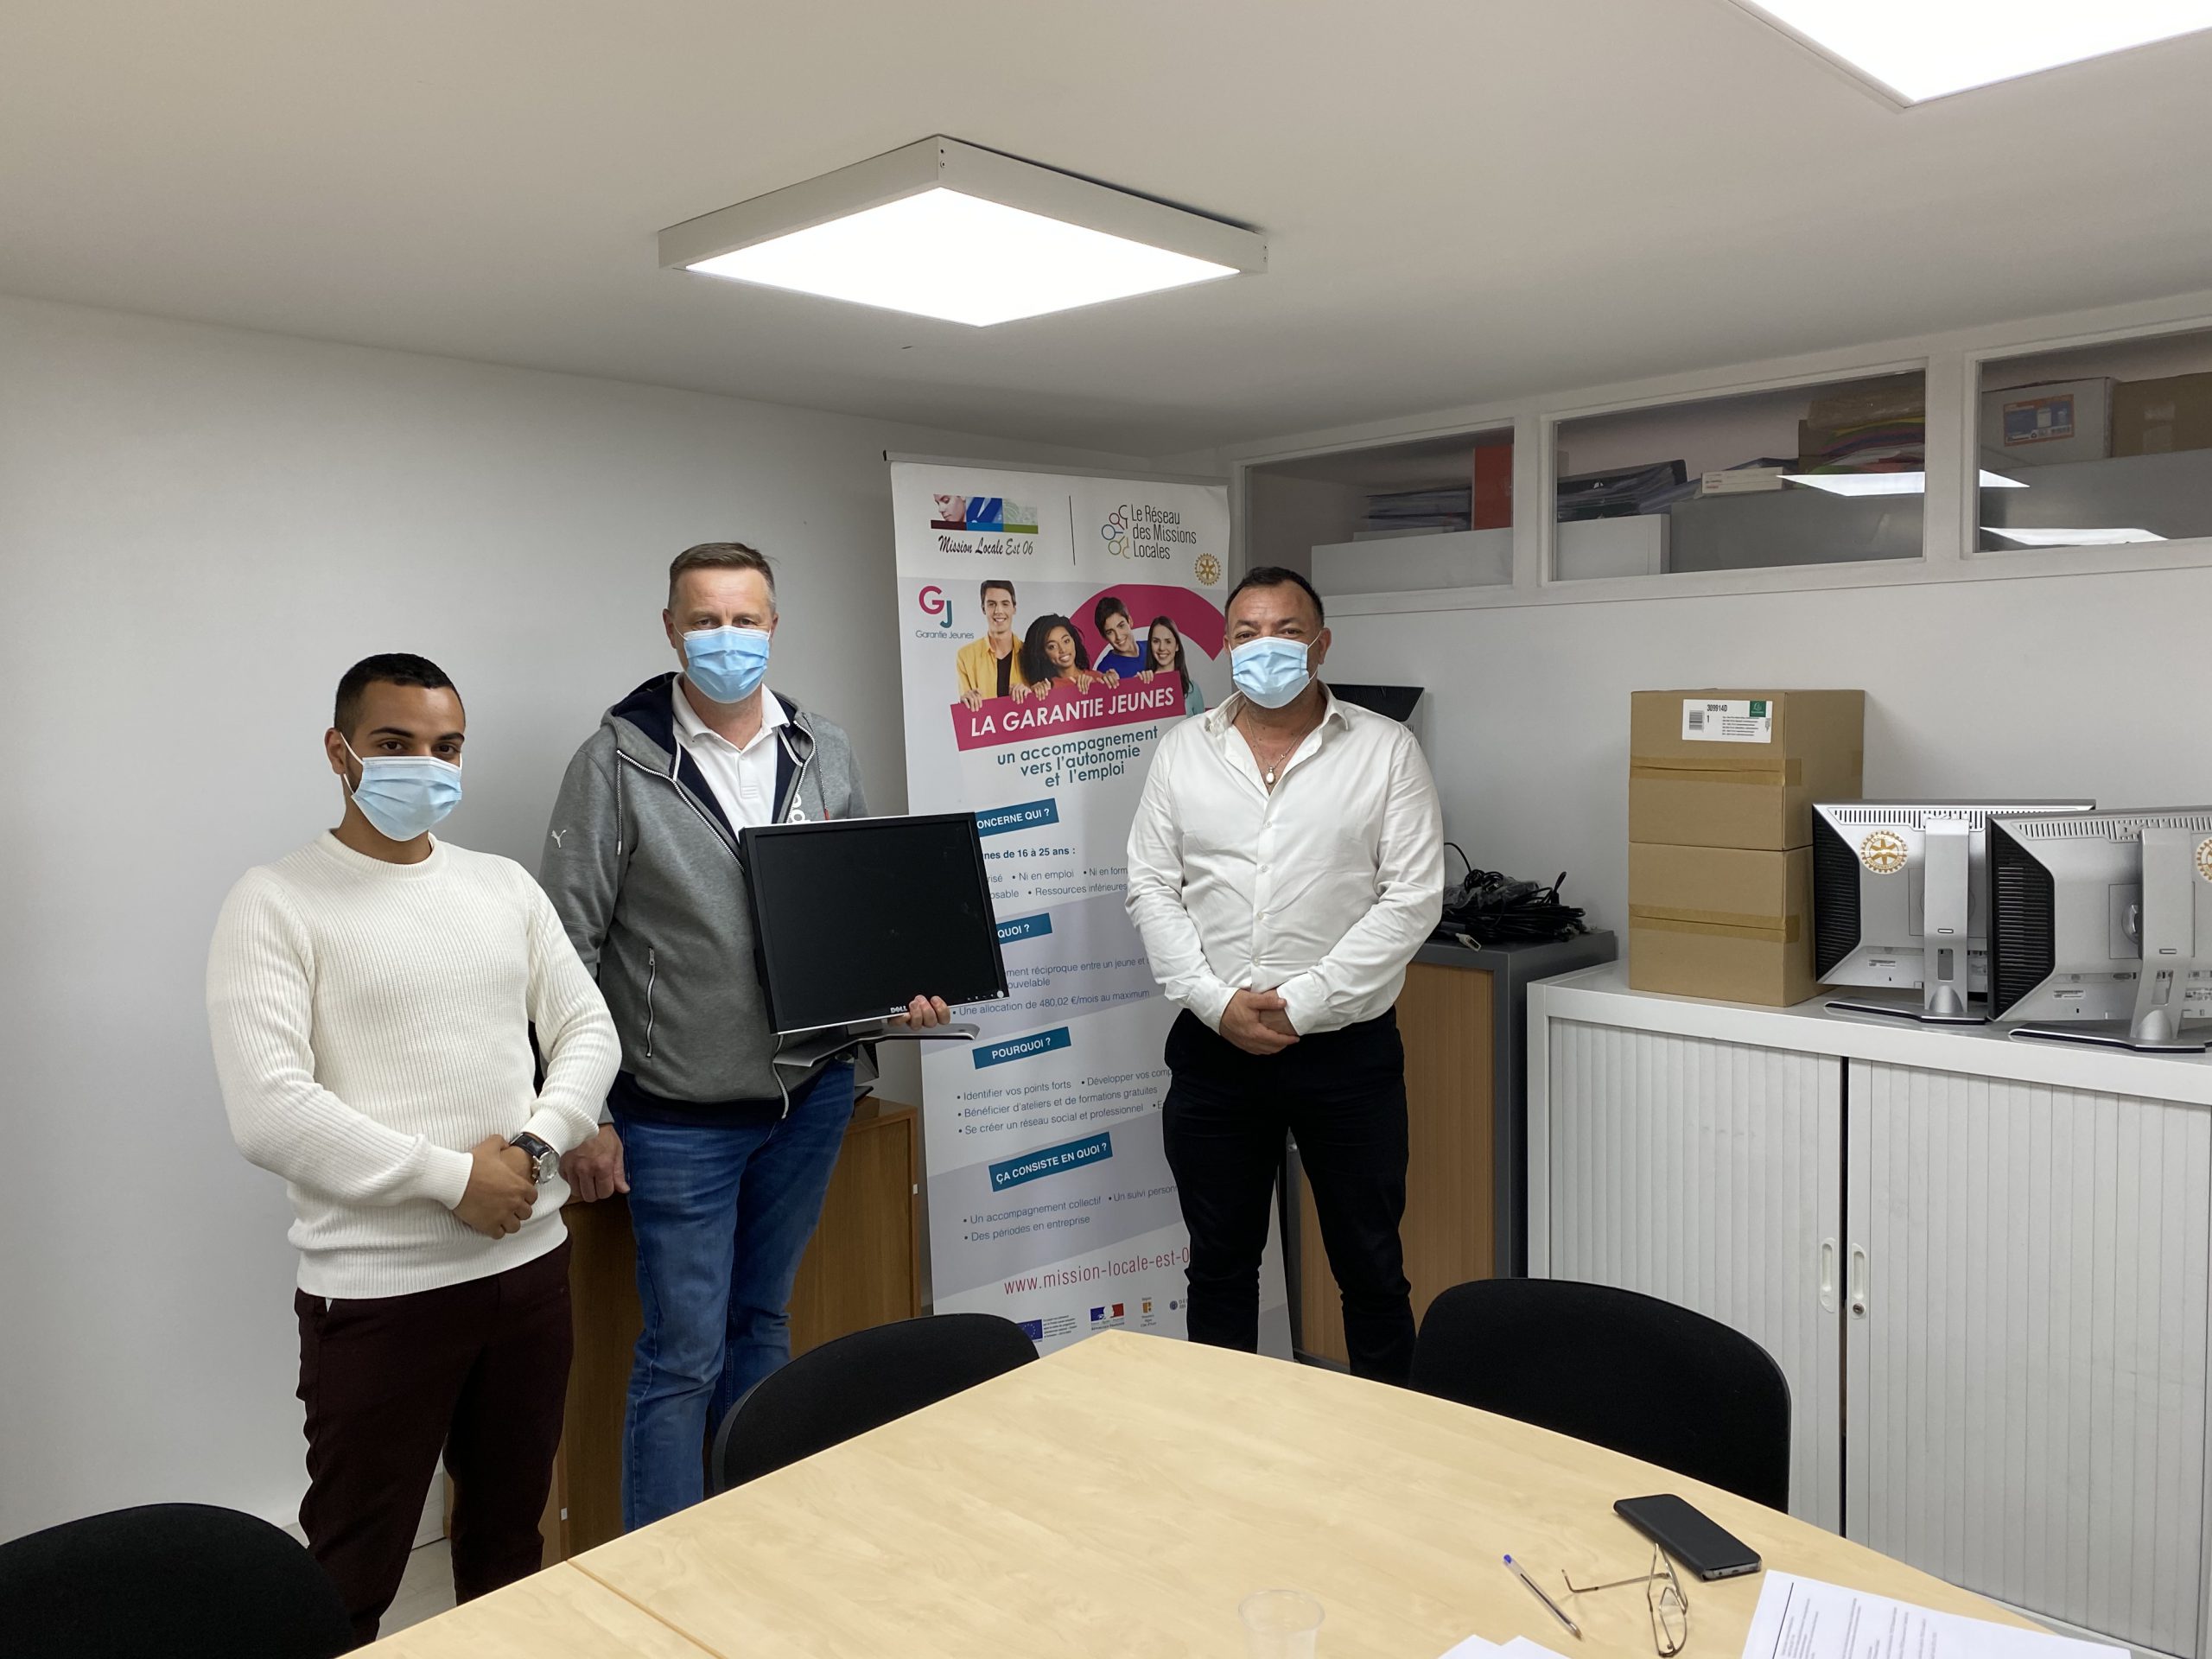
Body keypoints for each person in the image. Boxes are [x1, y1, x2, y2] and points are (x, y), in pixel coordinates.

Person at [207, 652, 619, 1646]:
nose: (424, 767)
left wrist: (531, 1149)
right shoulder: (275, 900)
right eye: (395, 744)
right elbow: (269, 1109)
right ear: (339, 750)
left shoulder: (502, 886)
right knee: (352, 1571)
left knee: (509, 1544)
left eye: (446, 748)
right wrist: (454, 1179)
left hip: (528, 1271)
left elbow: (588, 1030)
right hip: (379, 1297)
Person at [540, 542, 950, 1530]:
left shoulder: (821, 748)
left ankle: (759, 1541)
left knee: (764, 1323)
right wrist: (584, 1115)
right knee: (681, 1356)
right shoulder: (616, 764)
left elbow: (857, 909)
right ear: (671, 630)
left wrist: (898, 995)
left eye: (746, 619)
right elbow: (559, 952)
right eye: (706, 620)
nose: (728, 638)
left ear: (774, 626)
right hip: (676, 1116)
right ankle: (665, 1568)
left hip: (808, 1098)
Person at [1125, 568, 1442, 1385]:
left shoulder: (1385, 751)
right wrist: (1215, 1002)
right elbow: (1151, 887)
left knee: (1372, 1272)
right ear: (1226, 647)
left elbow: (1411, 899)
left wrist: (1301, 1003)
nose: (1265, 647)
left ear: (1322, 644)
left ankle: (1389, 1441)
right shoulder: (1182, 752)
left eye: (1288, 631)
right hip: (1215, 1051)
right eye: (1247, 633)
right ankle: (1226, 1445)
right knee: (1219, 1270)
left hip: (1346, 1054)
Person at [956, 577, 1029, 709]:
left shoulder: (1031, 654)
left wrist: (1032, 697)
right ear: (983, 608)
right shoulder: (966, 656)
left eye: (1005, 604)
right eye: (991, 604)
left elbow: (1043, 706)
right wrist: (965, 701)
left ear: (1014, 608)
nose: (998, 611)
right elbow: (967, 712)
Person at [1016, 613, 1112, 699]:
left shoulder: (1098, 678)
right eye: (1052, 646)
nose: (1063, 649)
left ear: (1074, 640)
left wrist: (1106, 686)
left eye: (1066, 641)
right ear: (1043, 654)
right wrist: (1031, 696)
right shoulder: (1046, 689)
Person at [1147, 615, 1205, 716]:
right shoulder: (1143, 686)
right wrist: (1137, 684)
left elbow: (1203, 725)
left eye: (1168, 641)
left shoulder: (1192, 689)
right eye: (1156, 641)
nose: (1162, 648)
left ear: (1177, 646)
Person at [1093, 594, 1151, 679]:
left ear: (1130, 621)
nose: (1119, 637)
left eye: (1121, 626)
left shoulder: (1152, 648)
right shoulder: (1105, 670)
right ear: (1104, 636)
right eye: (1110, 632)